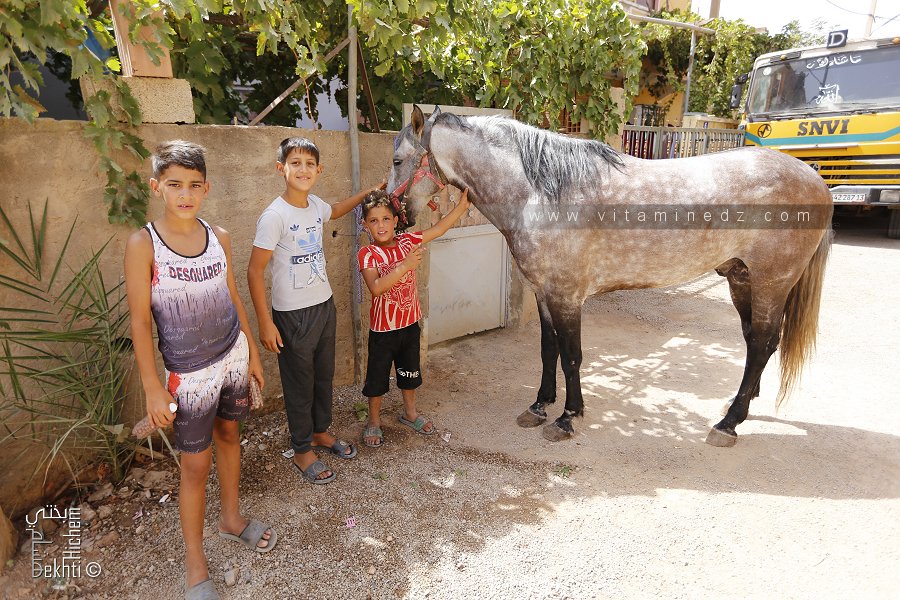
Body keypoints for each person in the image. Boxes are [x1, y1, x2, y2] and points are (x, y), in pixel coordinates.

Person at [124, 140, 275, 600]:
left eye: (193, 185)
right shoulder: (143, 244)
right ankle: (195, 560)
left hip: (231, 358)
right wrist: (152, 388)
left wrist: (251, 352)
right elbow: (140, 320)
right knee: (194, 465)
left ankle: (231, 518)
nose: (185, 194)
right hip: (188, 377)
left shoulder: (220, 237)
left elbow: (232, 296)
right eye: (174, 185)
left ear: (206, 188)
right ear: (157, 188)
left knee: (231, 436)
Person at [247, 137, 383, 484]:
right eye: (296, 162)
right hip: (291, 315)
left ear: (319, 170)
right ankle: (302, 447)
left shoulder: (314, 206)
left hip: (323, 306)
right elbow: (254, 270)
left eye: (310, 164)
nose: (303, 169)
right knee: (299, 381)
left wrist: (366, 193)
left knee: (323, 375)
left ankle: (321, 431)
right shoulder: (274, 216)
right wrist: (265, 323)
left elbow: (335, 209)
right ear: (282, 168)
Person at [358, 187, 470, 448]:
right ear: (366, 226)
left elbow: (439, 229)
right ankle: (373, 420)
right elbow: (376, 288)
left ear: (395, 221)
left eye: (386, 219)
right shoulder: (368, 254)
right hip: (383, 330)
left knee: (409, 372)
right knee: (377, 377)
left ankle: (410, 413)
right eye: (373, 221)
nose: (381, 225)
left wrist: (462, 207)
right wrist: (405, 266)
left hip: (409, 324)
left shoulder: (408, 242)